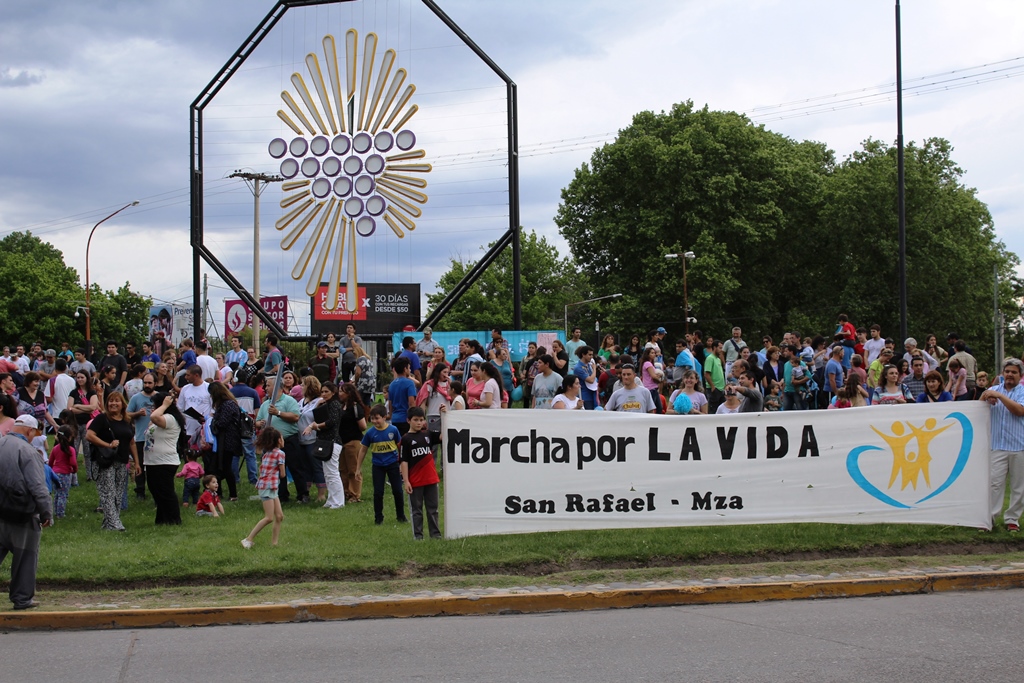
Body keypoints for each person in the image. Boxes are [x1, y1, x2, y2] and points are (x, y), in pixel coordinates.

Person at [0, 415, 53, 610]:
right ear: (29, 431)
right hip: (22, 515)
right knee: (25, 559)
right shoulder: (28, 452)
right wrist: (46, 512)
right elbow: (38, 487)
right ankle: (22, 599)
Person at [87, 392, 141, 531]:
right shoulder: (102, 418)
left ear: (122, 404)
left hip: (122, 461)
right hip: (105, 461)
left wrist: (137, 462)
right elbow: (90, 435)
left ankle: (109, 523)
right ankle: (116, 524)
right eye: (111, 401)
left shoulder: (126, 420)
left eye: (117, 401)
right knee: (108, 493)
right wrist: (108, 445)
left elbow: (132, 442)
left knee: (118, 494)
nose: (113, 403)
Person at [981, 358, 1024, 532]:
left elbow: (1019, 410)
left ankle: (1012, 519)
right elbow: (978, 408)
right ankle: (989, 519)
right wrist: (985, 397)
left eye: (1014, 372)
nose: (1010, 375)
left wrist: (1000, 397)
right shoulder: (992, 390)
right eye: (1007, 371)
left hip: (1019, 445)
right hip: (997, 445)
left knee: (1018, 486)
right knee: (994, 484)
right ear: (1002, 373)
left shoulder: (1022, 392)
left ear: (1020, 375)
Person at [255, 376, 307, 504]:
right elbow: (257, 421)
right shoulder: (265, 404)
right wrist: (259, 423)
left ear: (277, 387)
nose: (265, 388)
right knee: (276, 470)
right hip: (271, 444)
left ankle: (303, 494)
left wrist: (278, 413)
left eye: (268, 385)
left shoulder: (289, 401)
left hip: (288, 440)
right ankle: (282, 496)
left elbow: (295, 416)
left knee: (296, 468)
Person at [359, 404, 407, 526]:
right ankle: (378, 518)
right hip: (378, 466)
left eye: (377, 418)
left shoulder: (393, 430)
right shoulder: (370, 433)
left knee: (398, 491)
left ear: (384, 417)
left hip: (393, 464)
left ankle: (401, 516)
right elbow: (363, 450)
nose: (374, 421)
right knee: (378, 492)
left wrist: (401, 464)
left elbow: (400, 447)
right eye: (372, 418)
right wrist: (358, 467)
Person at [400, 406, 443, 540]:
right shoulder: (406, 439)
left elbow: (443, 436)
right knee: (416, 510)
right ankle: (418, 536)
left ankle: (435, 535)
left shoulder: (428, 434)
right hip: (416, 480)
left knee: (433, 509)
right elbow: (404, 461)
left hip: (431, 479)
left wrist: (444, 416)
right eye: (415, 420)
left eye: (421, 420)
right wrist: (406, 481)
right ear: (409, 420)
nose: (419, 423)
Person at [242, 426, 286, 548]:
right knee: (269, 518)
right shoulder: (280, 454)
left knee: (279, 516)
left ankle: (274, 543)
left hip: (269, 487)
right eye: (282, 438)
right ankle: (248, 539)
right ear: (279, 441)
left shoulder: (267, 454)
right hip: (268, 488)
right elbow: (282, 474)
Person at [145, 391, 183, 525]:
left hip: (164, 461)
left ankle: (174, 519)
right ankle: (162, 519)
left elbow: (153, 417)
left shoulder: (170, 418)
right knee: (156, 491)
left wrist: (165, 405)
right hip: (153, 461)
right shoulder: (161, 418)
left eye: (154, 405)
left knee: (165, 491)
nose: (152, 408)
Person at [309, 381, 345, 509]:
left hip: (333, 441)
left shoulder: (335, 404)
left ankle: (338, 502)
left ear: (333, 392)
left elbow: (332, 421)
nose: (323, 394)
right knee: (327, 473)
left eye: (326, 392)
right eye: (322, 392)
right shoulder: (326, 405)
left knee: (333, 473)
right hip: (325, 441)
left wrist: (317, 426)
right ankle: (331, 500)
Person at [208, 382, 242, 501]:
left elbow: (222, 423)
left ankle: (233, 494)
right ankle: (219, 492)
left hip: (228, 441)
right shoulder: (228, 404)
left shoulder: (227, 405)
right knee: (221, 467)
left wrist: (212, 421)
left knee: (226, 468)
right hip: (226, 441)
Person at [296, 376, 326, 504]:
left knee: (316, 466)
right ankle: (305, 492)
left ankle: (321, 494)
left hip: (313, 439)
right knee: (304, 467)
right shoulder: (300, 401)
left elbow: (321, 419)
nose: (301, 387)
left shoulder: (319, 401)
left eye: (303, 385)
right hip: (300, 439)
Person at [126, 372, 156, 500]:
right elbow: (127, 414)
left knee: (154, 467)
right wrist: (137, 413)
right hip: (140, 437)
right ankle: (140, 491)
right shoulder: (136, 398)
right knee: (140, 465)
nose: (147, 385)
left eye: (150, 383)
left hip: (156, 438)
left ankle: (155, 490)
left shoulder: (159, 397)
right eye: (145, 383)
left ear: (155, 383)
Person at [336, 382, 367, 503]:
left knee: (353, 469)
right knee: (342, 469)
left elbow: (363, 426)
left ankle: (354, 494)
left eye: (341, 391)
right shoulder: (340, 407)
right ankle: (345, 492)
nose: (339, 394)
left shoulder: (355, 408)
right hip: (341, 442)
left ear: (349, 393)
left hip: (353, 441)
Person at [230, 374, 261, 487]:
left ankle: (235, 479)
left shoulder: (230, 392)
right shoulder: (253, 392)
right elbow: (257, 411)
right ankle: (253, 479)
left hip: (234, 426)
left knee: (234, 455)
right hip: (248, 426)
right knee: (250, 454)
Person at [67, 369, 99, 475]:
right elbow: (69, 409)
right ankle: (73, 473)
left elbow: (93, 407)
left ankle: (90, 474)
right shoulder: (73, 392)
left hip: (88, 424)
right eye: (78, 377)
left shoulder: (92, 392)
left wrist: (77, 406)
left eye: (82, 377)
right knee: (74, 449)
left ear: (87, 378)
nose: (80, 379)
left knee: (87, 450)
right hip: (75, 424)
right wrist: (86, 409)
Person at [48, 425, 77, 519]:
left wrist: (50, 471)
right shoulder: (71, 450)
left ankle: (55, 511)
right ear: (69, 437)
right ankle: (60, 514)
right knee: (63, 494)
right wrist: (74, 470)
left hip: (55, 473)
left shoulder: (55, 448)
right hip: (65, 474)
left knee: (57, 493)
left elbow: (50, 462)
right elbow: (73, 462)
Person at [388, 356, 418, 434]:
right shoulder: (409, 383)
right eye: (409, 368)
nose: (410, 370)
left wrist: (391, 416)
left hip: (395, 419)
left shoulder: (392, 384)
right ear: (405, 369)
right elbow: (411, 403)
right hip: (405, 419)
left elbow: (390, 404)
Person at [572, 346, 599, 410]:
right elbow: (591, 380)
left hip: (592, 395)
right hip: (584, 396)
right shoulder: (578, 368)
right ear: (583, 355)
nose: (591, 357)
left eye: (592, 355)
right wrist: (594, 369)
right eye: (589, 355)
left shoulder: (589, 365)